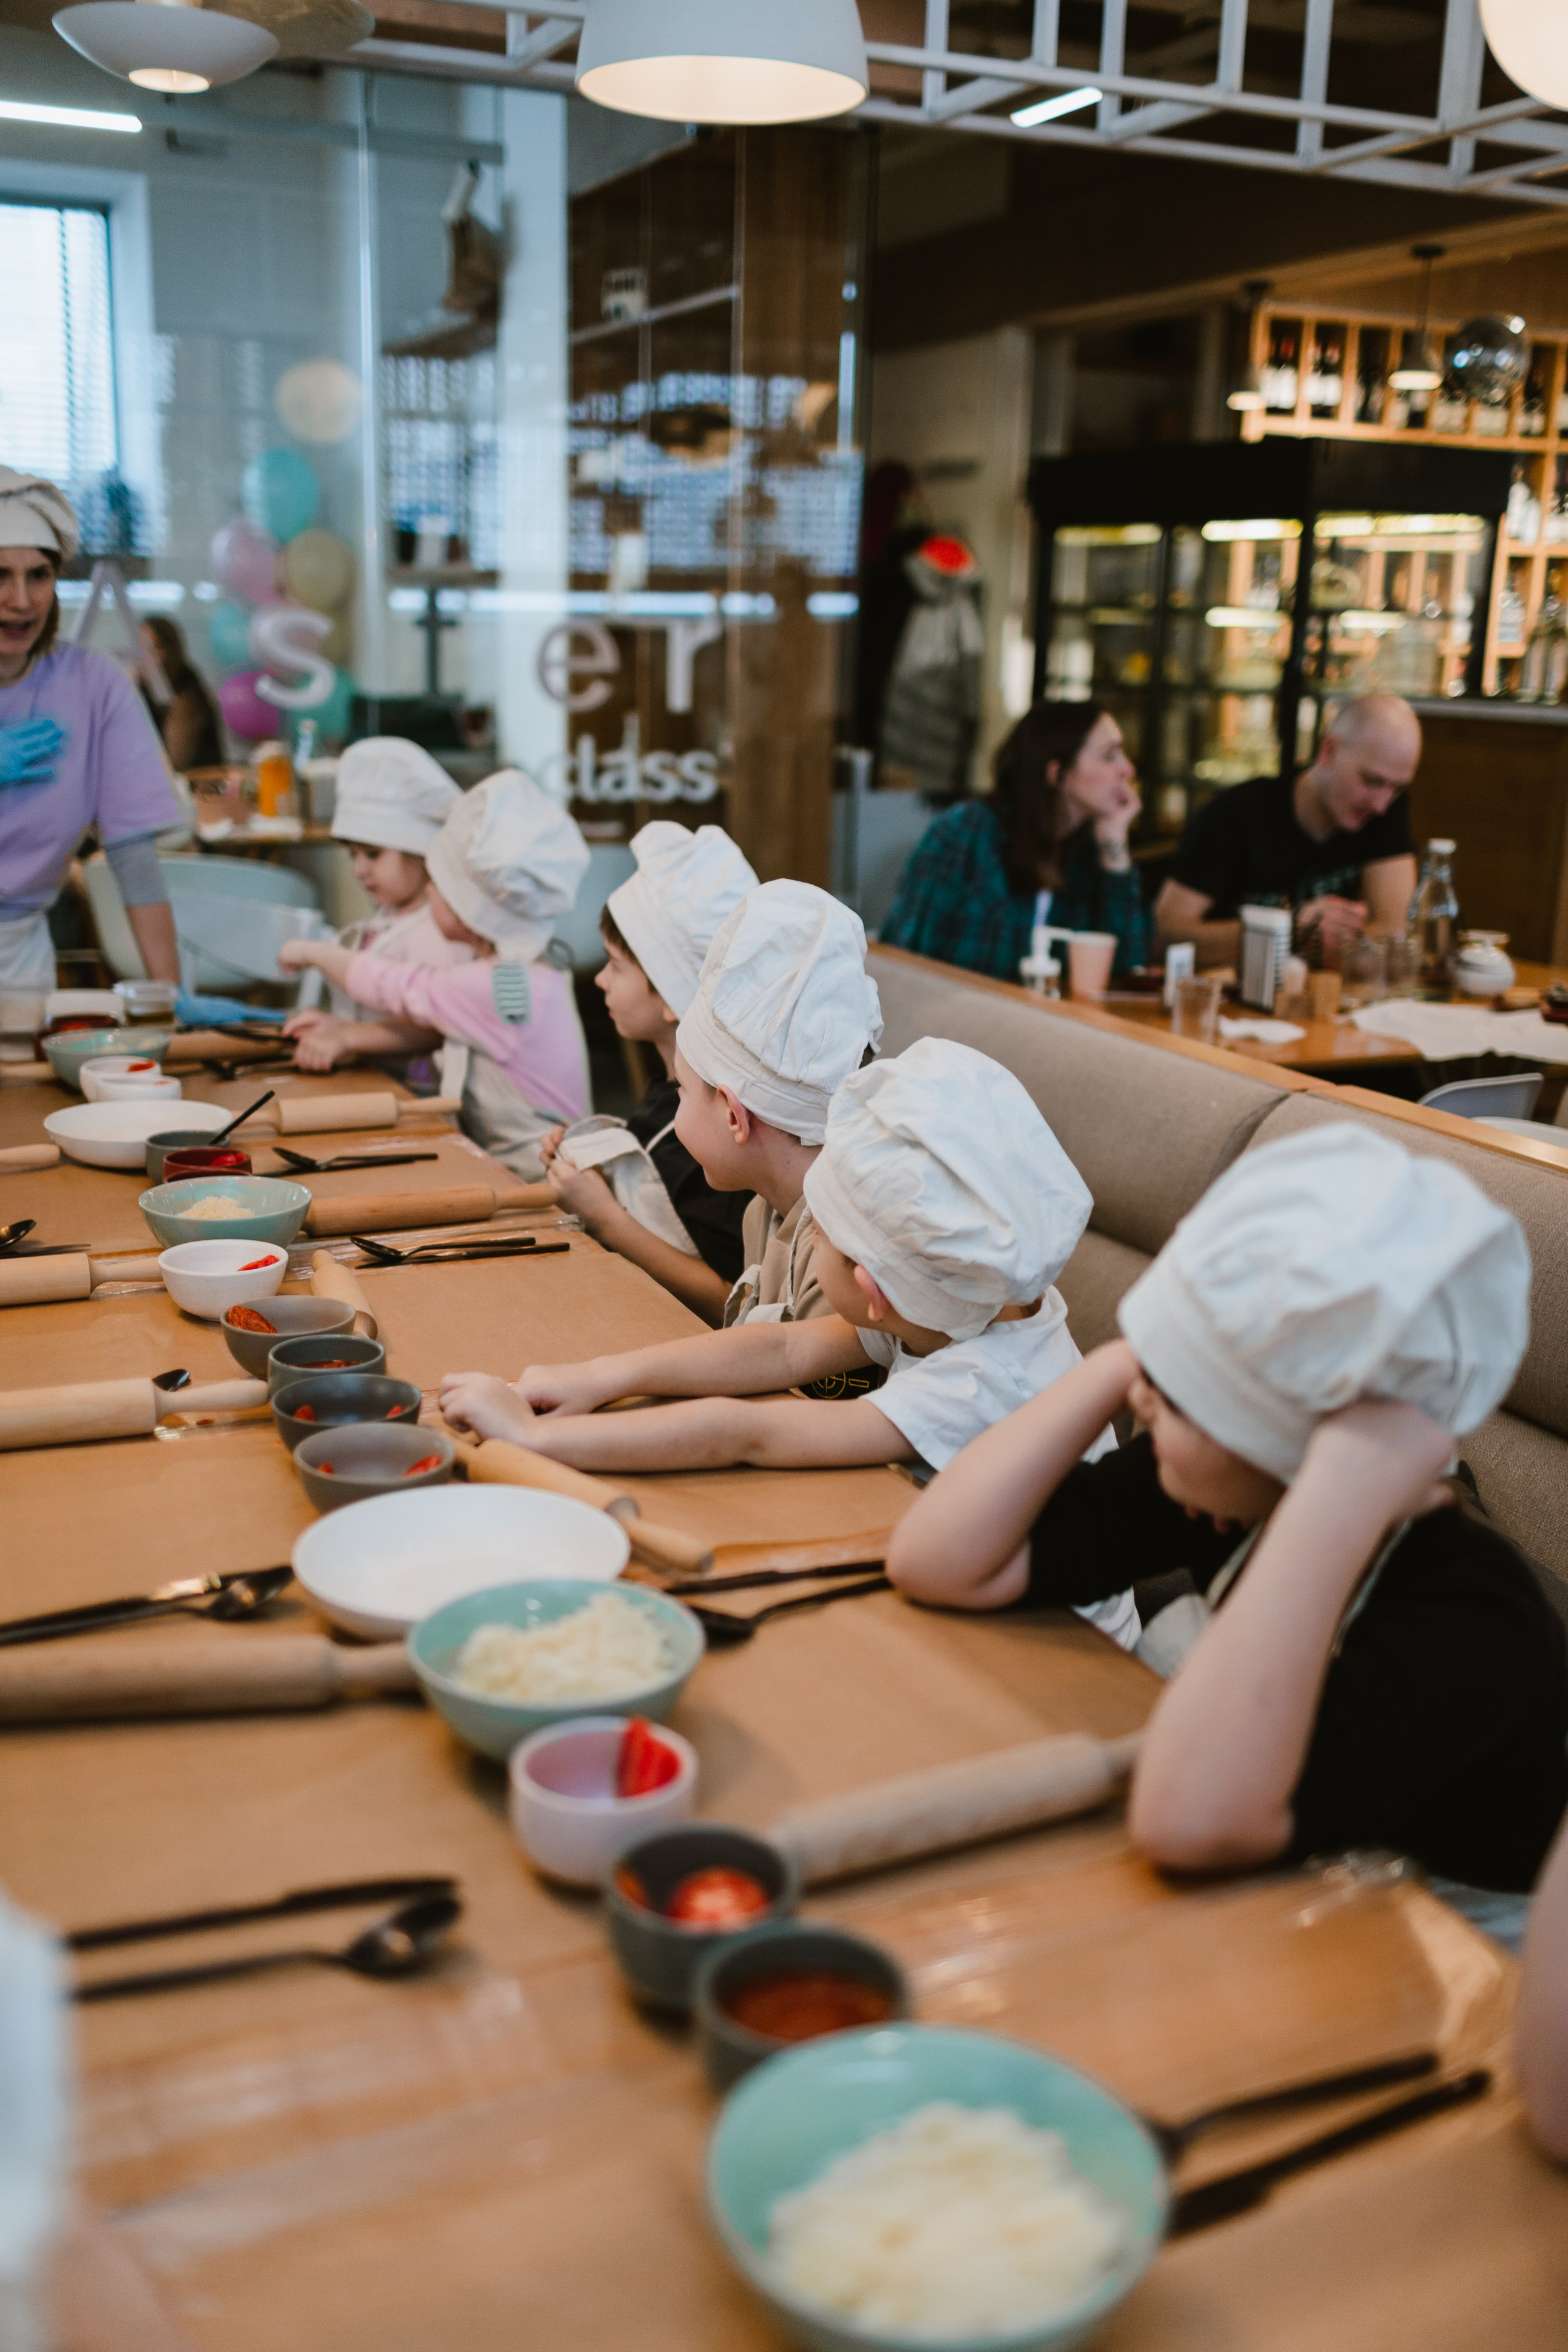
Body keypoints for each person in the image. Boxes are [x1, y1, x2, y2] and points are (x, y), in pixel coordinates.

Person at [888, 1123, 1568, 1893]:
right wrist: (1128, 1359)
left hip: (1462, 1948)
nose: (1142, 1405)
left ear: (1288, 1447)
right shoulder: (1217, 1485)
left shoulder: (1473, 1620)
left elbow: (1190, 1823)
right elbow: (937, 1560)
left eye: (1177, 1397)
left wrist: (1335, 1486)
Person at [439, 1035, 1137, 1658]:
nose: (807, 1241)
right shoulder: (966, 1302)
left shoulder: (980, 1386)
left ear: (870, 1288)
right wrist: (597, 1378)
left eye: (820, 1235)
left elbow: (748, 1435)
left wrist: (535, 1443)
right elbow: (781, 1352)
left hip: (1051, 1646)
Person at [279, 767, 590, 1177]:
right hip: (518, 1167)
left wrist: (311, 950)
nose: (428, 891)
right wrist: (340, 1027)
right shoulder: (519, 973)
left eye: (440, 885)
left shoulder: (496, 988)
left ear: (472, 908)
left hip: (546, 1180)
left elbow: (392, 986)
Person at [524, 822, 759, 1325]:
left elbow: (731, 1304)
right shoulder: (667, 1093)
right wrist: (604, 1167)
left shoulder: (717, 1134)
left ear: (673, 995)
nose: (602, 980)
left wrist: (607, 1219)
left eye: (615, 965)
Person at [0, 468, 180, 992]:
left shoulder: (94, 687)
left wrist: (170, 995)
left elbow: (132, 854)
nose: (21, 600)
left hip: (20, 960)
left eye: (39, 575)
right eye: (0, 575)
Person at [878, 700, 1148, 982]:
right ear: (1057, 774)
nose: (1128, 770)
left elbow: (1127, 968)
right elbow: (905, 958)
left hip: (1044, 1023)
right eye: (1110, 756)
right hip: (956, 1018)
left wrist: (1115, 846)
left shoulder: (1090, 849)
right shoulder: (968, 832)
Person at [1154, 694, 1420, 969]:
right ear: (1329, 751)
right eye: (1371, 781)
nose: (1381, 804)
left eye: (1398, 788)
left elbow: (1396, 934)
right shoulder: (1235, 814)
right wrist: (1290, 931)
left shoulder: (1382, 807)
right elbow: (1164, 938)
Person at [283, 736, 471, 1075]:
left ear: (423, 851)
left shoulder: (438, 931)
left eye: (373, 854)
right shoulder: (391, 915)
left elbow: (429, 1029)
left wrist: (349, 1037)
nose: (359, 870)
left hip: (415, 1097)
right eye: (353, 854)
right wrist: (336, 1027)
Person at [138, 615, 222, 775]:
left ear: (171, 650)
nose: (145, 656)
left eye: (153, 648)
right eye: (140, 648)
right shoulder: (147, 690)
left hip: (198, 791)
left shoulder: (188, 696)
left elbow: (173, 765)